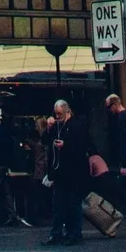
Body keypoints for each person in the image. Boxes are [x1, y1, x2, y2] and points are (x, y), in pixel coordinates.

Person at [42, 101, 84, 244]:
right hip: (58, 171)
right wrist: (48, 128)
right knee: (58, 205)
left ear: (67, 111)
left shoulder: (76, 125)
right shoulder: (56, 126)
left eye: (59, 114)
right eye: (56, 114)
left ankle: (74, 233)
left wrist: (66, 145)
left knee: (73, 203)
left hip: (73, 172)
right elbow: (44, 140)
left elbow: (81, 145)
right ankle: (56, 233)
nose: (57, 116)